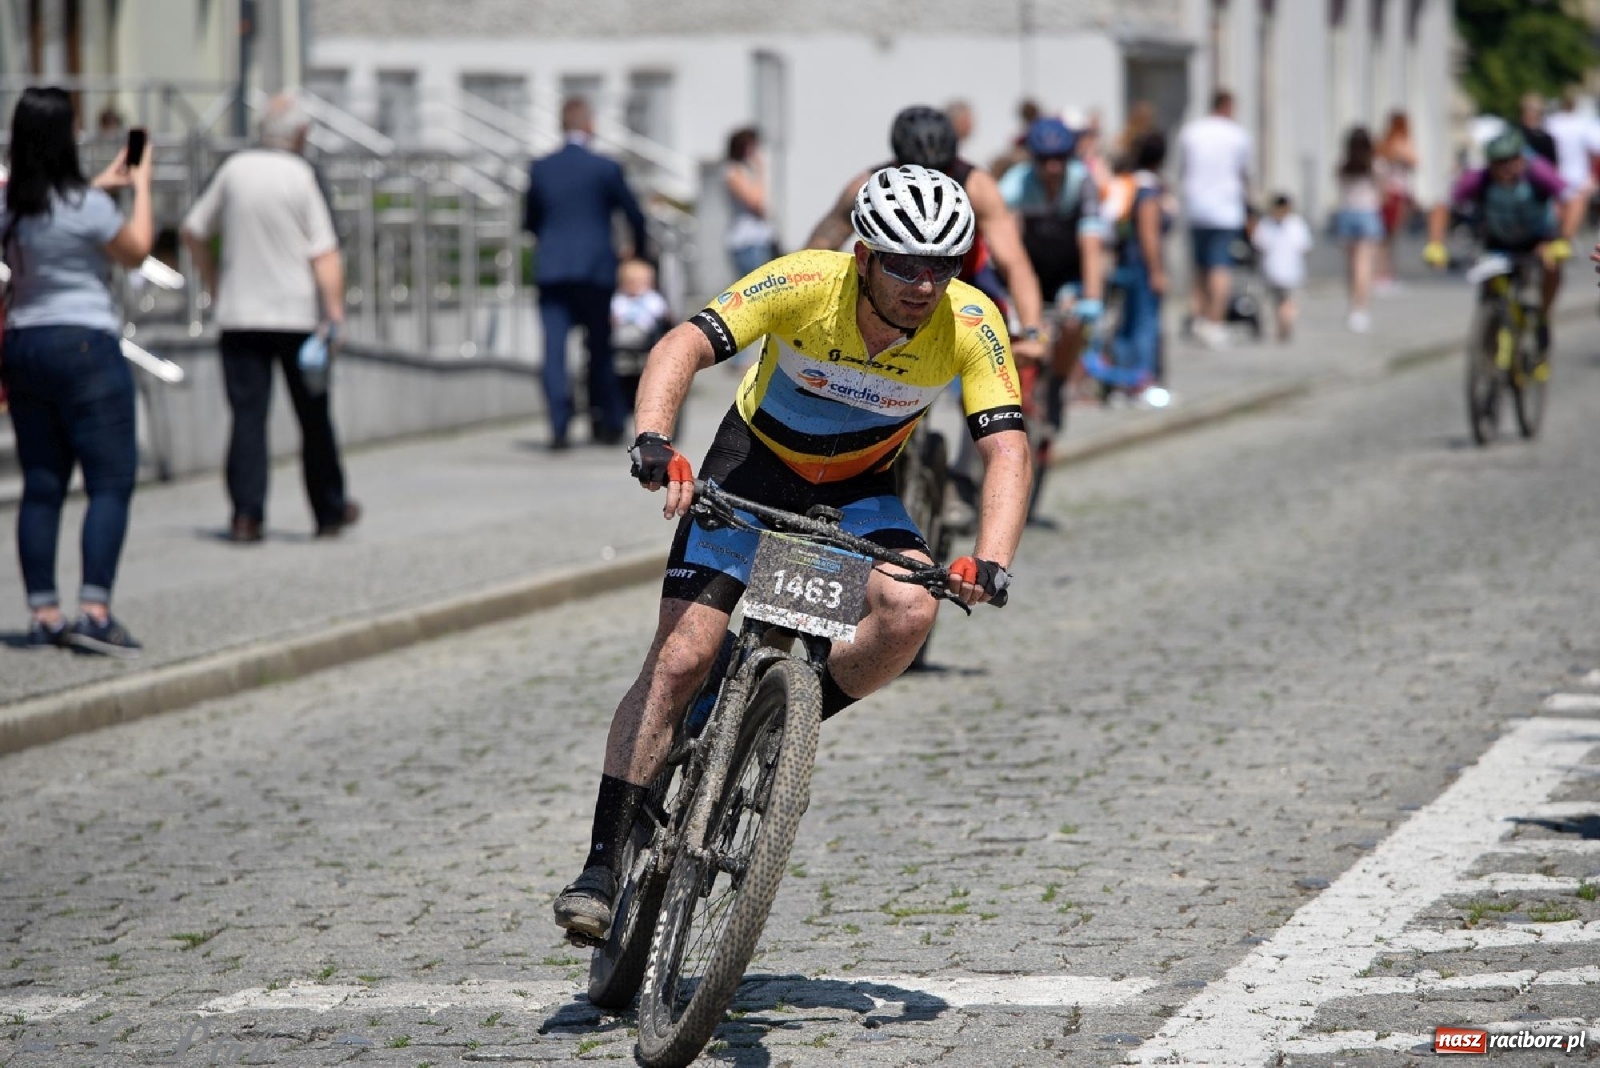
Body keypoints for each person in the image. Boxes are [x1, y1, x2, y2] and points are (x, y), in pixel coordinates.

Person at [552, 165, 1031, 939]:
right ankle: (603, 862)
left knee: (909, 610)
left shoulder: (969, 322)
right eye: (905, 264)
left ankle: (777, 721)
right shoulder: (806, 280)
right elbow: (683, 343)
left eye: (943, 266)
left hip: (857, 490)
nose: (923, 285)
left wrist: (992, 557)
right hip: (752, 466)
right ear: (866, 256)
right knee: (681, 661)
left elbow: (1006, 445)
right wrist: (653, 440)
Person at [0, 86, 151, 656]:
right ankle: (94, 610)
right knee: (110, 481)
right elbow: (135, 251)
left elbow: (45, 212)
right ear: (67, 136)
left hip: (24, 344)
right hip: (85, 344)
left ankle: (43, 614)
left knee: (42, 485)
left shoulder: (13, 203)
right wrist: (139, 184)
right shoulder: (88, 206)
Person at [182, 93, 359, 545]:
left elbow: (193, 230)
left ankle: (246, 515)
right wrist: (334, 315)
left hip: (240, 314)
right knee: (313, 416)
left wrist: (214, 280)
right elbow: (324, 252)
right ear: (300, 134)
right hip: (296, 316)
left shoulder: (235, 169)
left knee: (247, 417)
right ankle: (328, 509)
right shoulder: (302, 176)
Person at [805, 106, 1047, 366]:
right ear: (897, 162)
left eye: (943, 172)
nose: (931, 183)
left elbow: (1014, 262)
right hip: (898, 283)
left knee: (998, 356)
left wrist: (1032, 331)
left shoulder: (977, 185)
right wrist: (798, 304)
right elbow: (820, 246)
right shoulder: (871, 185)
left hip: (963, 278)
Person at [522, 96, 649, 450]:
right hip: (595, 269)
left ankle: (558, 426)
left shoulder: (542, 167)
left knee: (554, 349)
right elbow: (634, 214)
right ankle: (607, 420)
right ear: (589, 125)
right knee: (600, 347)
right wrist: (638, 251)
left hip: (553, 269)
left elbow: (529, 219)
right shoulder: (604, 167)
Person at [1424, 129, 1574, 345]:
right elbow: (1443, 205)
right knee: (1490, 284)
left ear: (1521, 158)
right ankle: (1491, 336)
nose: (1504, 168)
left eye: (1510, 161)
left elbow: (1571, 200)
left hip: (1538, 239)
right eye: (1498, 162)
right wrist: (1435, 244)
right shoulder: (1479, 178)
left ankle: (1542, 317)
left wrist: (1563, 239)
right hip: (1497, 240)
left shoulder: (1538, 172)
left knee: (1551, 267)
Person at [998, 116, 1106, 411]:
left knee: (1072, 321)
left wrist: (1093, 298)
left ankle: (1058, 383)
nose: (1053, 168)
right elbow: (1002, 234)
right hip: (1028, 270)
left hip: (1067, 274)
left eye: (1059, 159)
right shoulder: (1016, 182)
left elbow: (1091, 243)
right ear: (1033, 159)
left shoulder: (1082, 181)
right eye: (1045, 161)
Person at [1097, 132, 1171, 402]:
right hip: (1141, 264)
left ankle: (1121, 383)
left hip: (1125, 261)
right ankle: (1141, 382)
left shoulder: (1128, 184)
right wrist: (1157, 271)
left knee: (1125, 325)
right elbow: (1149, 234)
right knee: (1144, 323)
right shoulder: (1149, 190)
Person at [1177, 89, 1253, 349]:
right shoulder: (1237, 135)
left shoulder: (1191, 132)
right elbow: (1243, 173)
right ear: (1228, 107)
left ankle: (1198, 318)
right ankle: (1215, 322)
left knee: (1199, 268)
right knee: (1220, 267)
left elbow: (1184, 168)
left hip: (1197, 206)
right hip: (1225, 209)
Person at [1333, 125, 1384, 333]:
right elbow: (1383, 191)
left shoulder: (1343, 165)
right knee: (1363, 265)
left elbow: (1340, 187)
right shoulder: (1375, 165)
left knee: (1351, 266)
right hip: (1367, 213)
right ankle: (1360, 309)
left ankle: (1352, 306)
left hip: (1347, 213)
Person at [610, 257, 670, 413]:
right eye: (631, 282)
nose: (636, 287)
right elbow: (614, 314)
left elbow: (661, 313)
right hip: (621, 335)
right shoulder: (620, 299)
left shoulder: (651, 299)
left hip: (645, 333)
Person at [1251, 193, 1312, 342]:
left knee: (1284, 301)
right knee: (1282, 301)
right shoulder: (1290, 224)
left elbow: (1258, 244)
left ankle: (1283, 326)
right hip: (1275, 271)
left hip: (1286, 271)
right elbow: (1305, 246)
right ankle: (1284, 325)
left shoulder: (1290, 223)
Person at [1542, 90, 1600, 239]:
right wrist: (1594, 177)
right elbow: (1596, 150)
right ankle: (1563, 242)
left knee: (1557, 216)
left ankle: (1558, 242)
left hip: (1555, 175)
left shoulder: (1551, 122)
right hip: (1578, 176)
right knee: (1573, 215)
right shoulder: (1583, 123)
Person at [722, 126, 777, 278]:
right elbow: (756, 204)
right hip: (747, 242)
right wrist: (761, 172)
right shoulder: (734, 172)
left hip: (759, 239)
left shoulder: (745, 170)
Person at [1375, 110, 1418, 288]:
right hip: (1396, 193)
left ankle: (1383, 272)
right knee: (1390, 236)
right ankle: (1385, 273)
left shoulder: (1384, 143)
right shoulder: (1400, 143)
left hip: (1386, 192)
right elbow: (1414, 161)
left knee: (1384, 237)